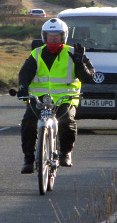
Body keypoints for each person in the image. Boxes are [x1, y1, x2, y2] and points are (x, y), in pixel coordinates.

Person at [17, 18, 95, 174]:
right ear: (44, 36)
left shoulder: (74, 53)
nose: (52, 38)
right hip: (39, 98)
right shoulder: (36, 53)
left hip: (65, 98)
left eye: (56, 35)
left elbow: (89, 78)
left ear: (63, 36)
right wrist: (22, 88)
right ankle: (29, 159)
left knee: (67, 122)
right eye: (49, 35)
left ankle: (65, 153)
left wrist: (80, 64)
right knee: (28, 122)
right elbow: (25, 73)